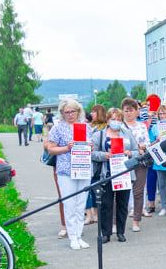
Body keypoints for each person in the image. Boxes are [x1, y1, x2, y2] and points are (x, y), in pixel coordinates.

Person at [46, 99, 91, 249]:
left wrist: (90, 146)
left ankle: (79, 234)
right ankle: (72, 236)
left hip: (83, 168)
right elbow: (51, 148)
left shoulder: (85, 127)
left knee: (81, 204)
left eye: (73, 111)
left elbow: (90, 145)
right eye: (67, 112)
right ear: (62, 114)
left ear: (78, 111)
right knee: (69, 203)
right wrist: (66, 147)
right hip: (65, 170)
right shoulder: (58, 128)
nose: (70, 114)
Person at [91, 108, 138, 243]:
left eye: (118, 119)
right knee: (106, 204)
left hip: (123, 173)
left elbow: (137, 152)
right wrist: (104, 156)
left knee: (122, 204)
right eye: (113, 119)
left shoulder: (127, 133)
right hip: (106, 174)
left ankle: (121, 231)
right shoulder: (99, 135)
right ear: (107, 120)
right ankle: (106, 233)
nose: (115, 122)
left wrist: (130, 154)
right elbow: (93, 154)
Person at [121, 98, 150, 231]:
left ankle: (136, 220)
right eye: (126, 110)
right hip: (122, 160)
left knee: (138, 191)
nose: (128, 113)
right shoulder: (120, 126)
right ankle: (117, 221)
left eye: (131, 110)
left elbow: (148, 144)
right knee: (121, 191)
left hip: (139, 160)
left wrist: (140, 146)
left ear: (136, 111)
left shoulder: (142, 126)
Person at [148, 105, 166, 216]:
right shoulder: (155, 128)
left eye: (164, 113)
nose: (162, 115)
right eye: (160, 114)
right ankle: (164, 206)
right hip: (159, 156)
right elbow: (150, 144)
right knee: (162, 183)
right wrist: (156, 140)